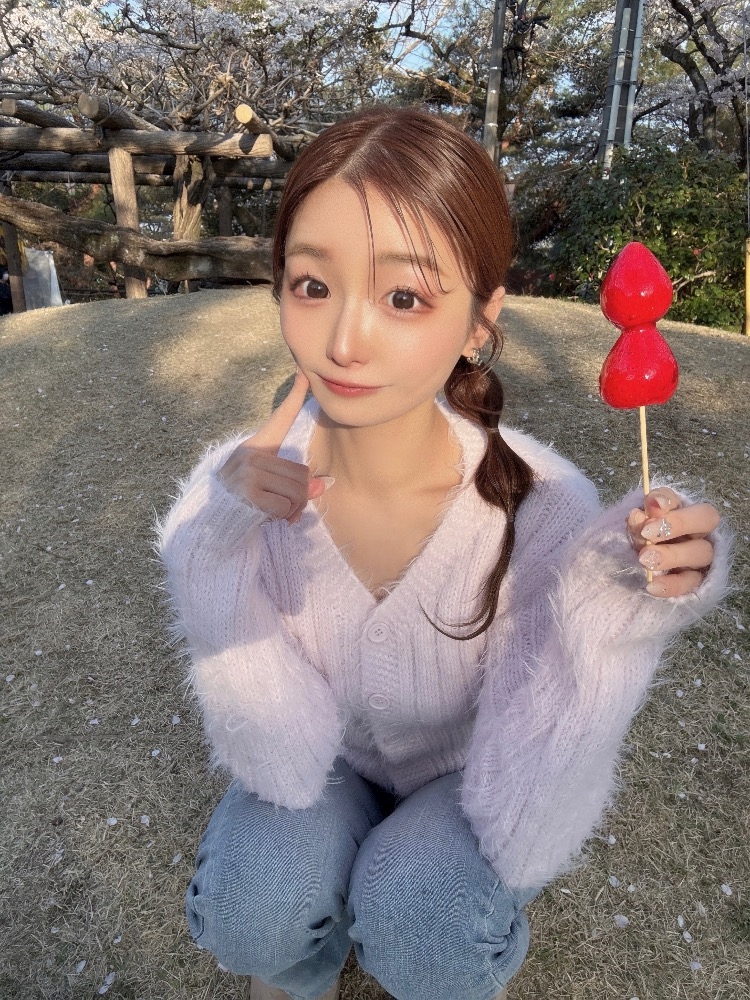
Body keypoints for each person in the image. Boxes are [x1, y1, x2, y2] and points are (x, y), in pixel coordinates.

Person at [158, 106, 730, 1000]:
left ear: (479, 318)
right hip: (328, 763)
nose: (344, 341)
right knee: (249, 909)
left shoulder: (544, 508)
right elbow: (275, 758)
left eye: (404, 297)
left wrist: (617, 613)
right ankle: (302, 967)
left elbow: (532, 806)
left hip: (473, 776)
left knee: (425, 922)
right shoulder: (237, 496)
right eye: (311, 285)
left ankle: (424, 925)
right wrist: (213, 557)